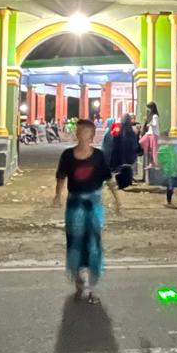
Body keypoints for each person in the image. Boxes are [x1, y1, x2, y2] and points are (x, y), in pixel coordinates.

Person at [53, 118, 122, 303]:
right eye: (78, 131)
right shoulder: (67, 155)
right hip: (74, 204)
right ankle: (78, 283)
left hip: (94, 204)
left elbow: (108, 179)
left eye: (84, 132)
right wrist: (57, 196)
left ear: (91, 135)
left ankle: (91, 288)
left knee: (93, 244)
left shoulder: (98, 156)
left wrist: (117, 200)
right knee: (74, 243)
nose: (80, 135)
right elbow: (61, 177)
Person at [143, 102, 160, 169]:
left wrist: (149, 124)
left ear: (152, 108)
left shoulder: (155, 116)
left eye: (149, 108)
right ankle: (152, 163)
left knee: (153, 150)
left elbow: (155, 124)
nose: (148, 109)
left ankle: (154, 164)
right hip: (149, 133)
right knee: (143, 143)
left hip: (154, 134)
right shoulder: (150, 116)